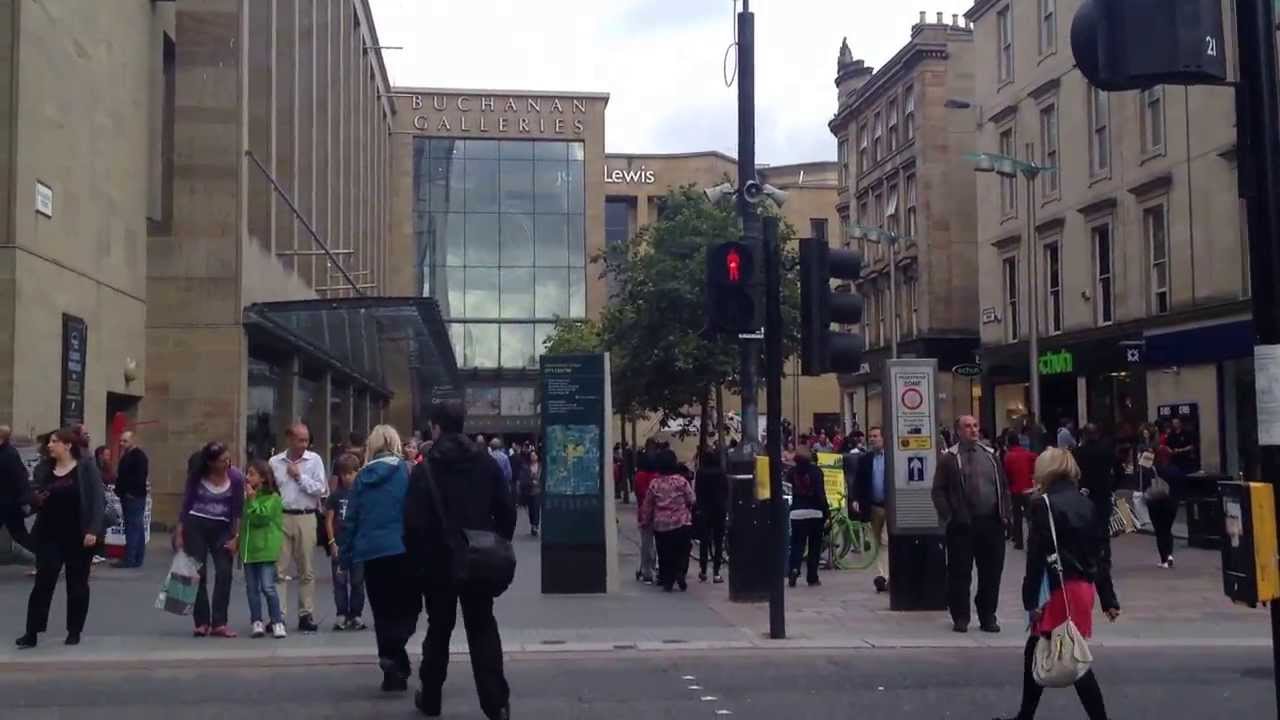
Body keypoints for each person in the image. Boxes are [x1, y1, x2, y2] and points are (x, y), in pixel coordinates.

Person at [404, 400, 515, 720]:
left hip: (438, 563)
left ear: (436, 427)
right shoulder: (486, 462)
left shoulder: (425, 468)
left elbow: (412, 523)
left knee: (438, 629)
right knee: (482, 628)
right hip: (478, 558)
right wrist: (493, 540)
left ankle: (432, 698)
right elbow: (506, 511)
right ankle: (495, 703)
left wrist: (418, 563)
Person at [996, 447, 1120, 720]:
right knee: (1041, 646)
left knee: (1071, 654)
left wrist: (1030, 598)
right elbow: (1101, 553)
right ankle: (1025, 714)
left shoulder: (1043, 504)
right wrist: (1108, 597)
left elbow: (1036, 556)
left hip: (1057, 586)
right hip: (1081, 586)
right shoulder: (1087, 503)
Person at [16, 428, 106, 649]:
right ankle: (32, 632)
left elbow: (97, 501)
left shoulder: (86, 468)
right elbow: (31, 496)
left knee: (77, 585)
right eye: (49, 441)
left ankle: (74, 630)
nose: (49, 445)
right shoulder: (43, 469)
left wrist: (93, 530)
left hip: (78, 535)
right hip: (49, 534)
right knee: (42, 584)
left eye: (54, 441)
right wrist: (36, 499)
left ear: (67, 445)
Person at [339, 425, 413, 692]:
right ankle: (395, 651)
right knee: (406, 608)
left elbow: (351, 521)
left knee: (382, 612)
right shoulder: (407, 472)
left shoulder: (361, 478)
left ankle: (391, 668)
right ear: (395, 442)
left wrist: (345, 558)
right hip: (402, 549)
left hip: (371, 552)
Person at [932, 415, 1012, 633]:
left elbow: (1003, 486)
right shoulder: (950, 458)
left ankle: (988, 615)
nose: (973, 430)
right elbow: (938, 491)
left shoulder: (991, 455)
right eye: (968, 427)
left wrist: (1006, 514)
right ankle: (961, 616)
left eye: (975, 426)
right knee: (960, 573)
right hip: (962, 525)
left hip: (991, 523)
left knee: (992, 572)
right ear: (958, 431)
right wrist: (949, 515)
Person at [177, 441, 244, 638]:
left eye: (227, 458)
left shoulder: (236, 478)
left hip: (222, 528)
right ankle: (202, 622)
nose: (227, 463)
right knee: (198, 573)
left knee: (224, 572)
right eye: (222, 460)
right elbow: (186, 504)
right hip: (196, 525)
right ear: (211, 463)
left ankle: (219, 622)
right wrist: (180, 531)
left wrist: (236, 537)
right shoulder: (197, 477)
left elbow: (238, 511)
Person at [270, 422, 327, 633]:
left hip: (306, 516)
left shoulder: (314, 460)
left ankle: (306, 613)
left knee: (307, 569)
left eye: (307, 440)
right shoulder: (274, 462)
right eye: (300, 440)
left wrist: (299, 476)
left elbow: (320, 489)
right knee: (279, 569)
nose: (304, 444)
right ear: (290, 440)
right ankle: (279, 615)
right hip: (282, 517)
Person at [1072, 424, 1121, 614]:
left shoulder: (1077, 453)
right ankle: (1104, 557)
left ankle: (1089, 557)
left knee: (1085, 532)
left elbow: (1073, 475)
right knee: (1102, 532)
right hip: (1102, 498)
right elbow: (1120, 471)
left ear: (1084, 435)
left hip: (1085, 498)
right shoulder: (1107, 452)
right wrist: (1111, 487)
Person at [241, 459, 286, 639]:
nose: (247, 477)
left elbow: (261, 518)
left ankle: (277, 621)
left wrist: (252, 500)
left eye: (252, 474)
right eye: (248, 473)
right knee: (252, 588)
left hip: (266, 549)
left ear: (263, 478)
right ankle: (256, 620)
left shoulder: (273, 498)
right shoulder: (248, 496)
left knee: (268, 587)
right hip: (249, 549)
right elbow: (244, 521)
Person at [641, 448, 696, 592]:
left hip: (662, 525)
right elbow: (692, 499)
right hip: (682, 523)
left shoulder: (655, 484)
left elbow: (648, 505)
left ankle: (668, 579)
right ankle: (680, 572)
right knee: (683, 551)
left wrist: (645, 520)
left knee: (665, 553)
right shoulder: (681, 481)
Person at [327, 453, 368, 632]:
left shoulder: (362, 494)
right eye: (343, 474)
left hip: (358, 544)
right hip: (341, 544)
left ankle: (356, 614)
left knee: (358, 581)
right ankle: (341, 613)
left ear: (357, 473)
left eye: (350, 473)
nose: (346, 477)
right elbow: (328, 520)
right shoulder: (336, 496)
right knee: (340, 581)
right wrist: (332, 542)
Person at [786, 444, 829, 588]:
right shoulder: (816, 471)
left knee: (797, 544)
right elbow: (820, 494)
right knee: (814, 546)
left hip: (797, 512)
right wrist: (826, 512)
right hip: (815, 512)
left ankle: (794, 569)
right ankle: (812, 577)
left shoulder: (791, 472)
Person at [853, 427, 889, 592]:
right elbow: (858, 481)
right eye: (871, 437)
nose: (872, 439)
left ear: (884, 438)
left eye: (876, 436)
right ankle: (882, 574)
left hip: (890, 506)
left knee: (885, 541)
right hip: (873, 506)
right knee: (875, 542)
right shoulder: (866, 459)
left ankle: (883, 576)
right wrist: (855, 499)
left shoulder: (891, 457)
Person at [114, 431, 149, 568]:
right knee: (137, 527)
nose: (122, 444)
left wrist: (131, 493)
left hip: (134, 496)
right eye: (121, 441)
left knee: (133, 527)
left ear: (133, 441)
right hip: (129, 494)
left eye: (125, 441)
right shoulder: (128, 455)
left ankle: (130, 558)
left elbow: (140, 477)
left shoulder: (138, 456)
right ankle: (136, 558)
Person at [1146, 446, 1184, 568]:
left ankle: (1164, 558)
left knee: (1159, 531)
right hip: (1171, 503)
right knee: (1167, 529)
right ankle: (1170, 555)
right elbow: (1180, 486)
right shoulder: (1175, 470)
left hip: (1156, 503)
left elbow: (1145, 484)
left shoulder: (1153, 469)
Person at [694, 450, 727, 584]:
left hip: (704, 509)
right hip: (719, 509)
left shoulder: (700, 473)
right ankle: (716, 572)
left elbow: (697, 490)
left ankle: (703, 570)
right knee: (718, 542)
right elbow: (726, 490)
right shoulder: (721, 473)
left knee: (704, 540)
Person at [0, 425, 33, 554]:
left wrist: (24, 499)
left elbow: (20, 477)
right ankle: (45, 557)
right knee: (20, 534)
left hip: (9, 503)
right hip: (7, 502)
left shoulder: (9, 454)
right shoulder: (6, 452)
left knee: (20, 535)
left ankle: (46, 557)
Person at [1003, 435, 1037, 551]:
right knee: (1030, 517)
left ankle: (1019, 542)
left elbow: (1007, 474)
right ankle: (1032, 539)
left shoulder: (1008, 456)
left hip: (1015, 490)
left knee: (1017, 517)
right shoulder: (1028, 454)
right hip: (1028, 488)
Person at [633, 440, 659, 584]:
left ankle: (646, 570)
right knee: (657, 542)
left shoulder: (639, 476)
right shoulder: (657, 477)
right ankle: (654, 566)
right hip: (659, 512)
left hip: (643, 512)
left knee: (646, 542)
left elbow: (638, 494)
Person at [516, 449, 542, 536]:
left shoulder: (541, 466)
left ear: (537, 456)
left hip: (538, 491)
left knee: (536, 508)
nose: (533, 457)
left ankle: (535, 525)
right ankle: (532, 524)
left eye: (534, 455)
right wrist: (531, 481)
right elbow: (523, 479)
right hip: (529, 491)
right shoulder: (526, 467)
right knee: (531, 510)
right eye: (532, 455)